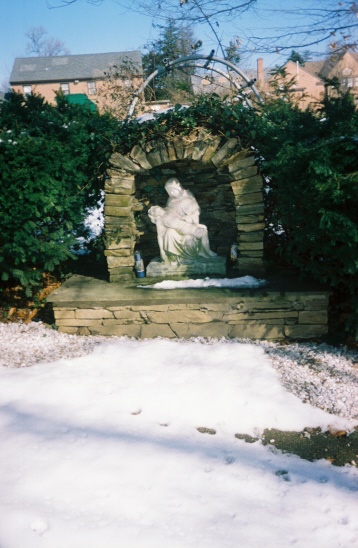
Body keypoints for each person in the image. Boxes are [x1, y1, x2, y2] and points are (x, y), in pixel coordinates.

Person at [148, 205, 217, 265]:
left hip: (187, 224)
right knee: (204, 232)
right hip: (183, 229)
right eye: (154, 211)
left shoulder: (168, 210)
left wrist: (192, 221)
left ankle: (203, 251)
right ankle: (207, 251)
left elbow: (180, 217)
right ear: (155, 215)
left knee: (204, 229)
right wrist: (161, 250)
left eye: (156, 208)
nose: (156, 210)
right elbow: (160, 235)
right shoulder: (159, 220)